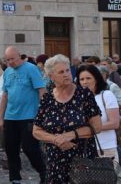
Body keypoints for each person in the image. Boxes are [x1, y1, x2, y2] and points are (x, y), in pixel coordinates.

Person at [33, 55, 102, 184]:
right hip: (55, 162)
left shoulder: (84, 94)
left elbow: (97, 127)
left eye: (67, 70)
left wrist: (69, 135)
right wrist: (56, 139)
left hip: (82, 160)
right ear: (51, 76)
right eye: (61, 72)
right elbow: (36, 131)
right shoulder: (47, 98)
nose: (66, 74)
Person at [0, 46, 46, 184]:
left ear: (19, 56)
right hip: (10, 116)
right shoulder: (7, 72)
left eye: (12, 59)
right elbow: (5, 95)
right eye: (7, 60)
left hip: (29, 116)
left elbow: (41, 91)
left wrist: (42, 113)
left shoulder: (31, 69)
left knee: (30, 148)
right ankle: (15, 178)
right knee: (10, 149)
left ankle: (43, 171)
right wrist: (1, 117)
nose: (10, 62)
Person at [80, 65, 121, 172]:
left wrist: (90, 128)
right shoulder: (77, 99)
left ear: (96, 79)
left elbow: (114, 123)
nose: (85, 82)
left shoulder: (106, 95)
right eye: (82, 79)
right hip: (82, 149)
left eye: (88, 78)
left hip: (105, 148)